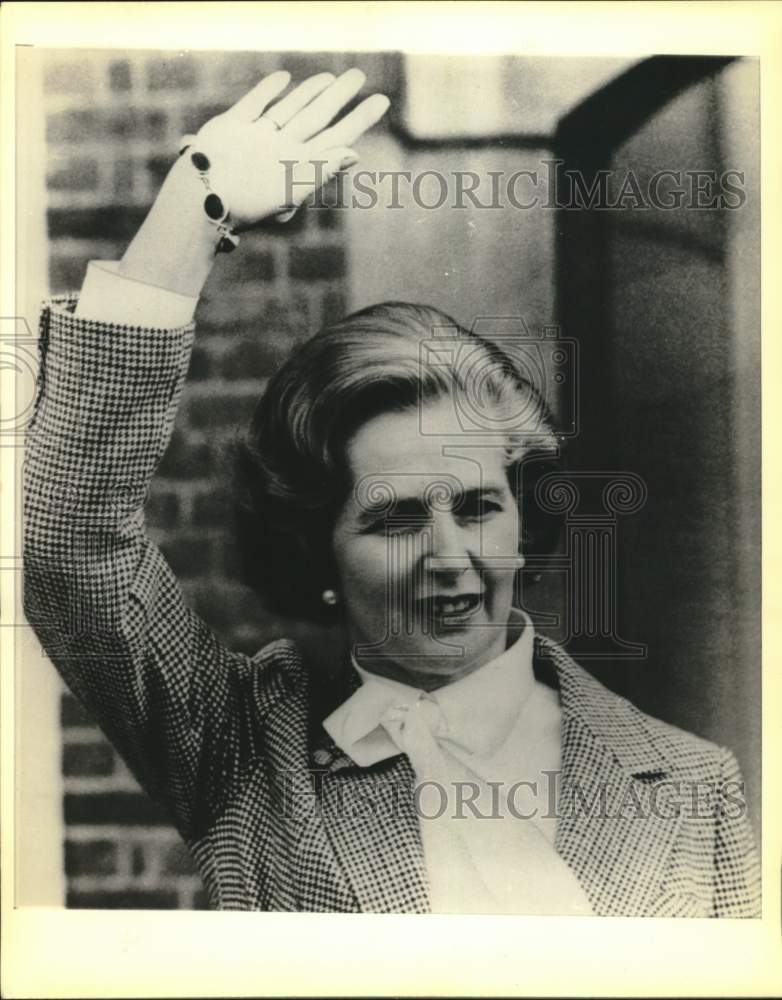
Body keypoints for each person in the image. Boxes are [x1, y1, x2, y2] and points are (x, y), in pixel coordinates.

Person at [23, 68, 760, 916]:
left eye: (478, 507)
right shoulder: (238, 747)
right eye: (396, 519)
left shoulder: (692, 786)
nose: (450, 558)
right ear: (319, 551)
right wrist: (196, 206)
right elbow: (65, 542)